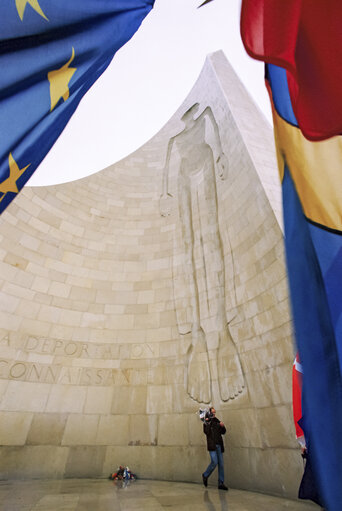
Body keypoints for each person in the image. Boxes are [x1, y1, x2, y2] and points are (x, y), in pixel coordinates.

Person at [202, 407, 228, 490]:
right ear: (209, 413)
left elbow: (223, 432)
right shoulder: (206, 422)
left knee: (221, 464)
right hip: (212, 446)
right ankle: (205, 475)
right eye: (212, 412)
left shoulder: (217, 421)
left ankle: (221, 482)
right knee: (214, 462)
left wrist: (222, 426)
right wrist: (208, 422)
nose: (214, 414)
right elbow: (206, 432)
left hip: (219, 445)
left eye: (214, 412)